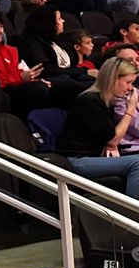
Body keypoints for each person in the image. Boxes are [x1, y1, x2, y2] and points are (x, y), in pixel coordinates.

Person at [55, 57, 139, 198]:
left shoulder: (107, 101)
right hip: (77, 159)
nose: (130, 88)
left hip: (96, 156)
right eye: (128, 82)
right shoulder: (89, 100)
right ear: (113, 79)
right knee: (137, 163)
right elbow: (113, 139)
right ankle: (132, 215)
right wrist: (130, 109)